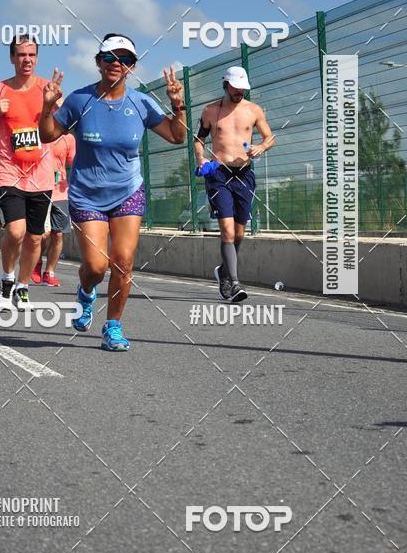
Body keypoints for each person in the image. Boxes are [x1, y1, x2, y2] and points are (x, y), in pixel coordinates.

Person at [39, 33, 187, 352]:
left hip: (127, 192)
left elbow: (177, 136)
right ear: (98, 62)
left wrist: (178, 105)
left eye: (125, 60)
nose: (116, 64)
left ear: (132, 67)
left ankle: (113, 326)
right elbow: (49, 134)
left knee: (123, 261)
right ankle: (86, 293)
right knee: (95, 266)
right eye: (109, 58)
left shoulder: (142, 103)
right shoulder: (80, 101)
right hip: (87, 194)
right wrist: (47, 108)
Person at [0, 34, 55, 309]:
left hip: (42, 173)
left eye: (32, 54)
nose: (27, 59)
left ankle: (23, 286)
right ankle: (7, 278)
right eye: (21, 54)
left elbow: (58, 128)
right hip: (8, 171)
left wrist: (50, 104)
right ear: (12, 58)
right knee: (15, 230)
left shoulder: (48, 87)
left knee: (35, 237)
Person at [194, 66, 274, 303]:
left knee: (239, 233)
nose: (239, 92)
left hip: (244, 175)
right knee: (227, 230)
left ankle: (224, 271)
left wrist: (261, 147)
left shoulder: (254, 110)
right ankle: (234, 283)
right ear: (225, 85)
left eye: (242, 89)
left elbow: (270, 137)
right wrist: (201, 159)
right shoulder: (210, 111)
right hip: (219, 175)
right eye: (235, 88)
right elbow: (199, 139)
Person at [31, 132, 76, 286]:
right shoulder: (37, 133)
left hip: (61, 192)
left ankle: (49, 272)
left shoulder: (68, 138)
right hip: (39, 189)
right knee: (42, 235)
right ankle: (36, 264)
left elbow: (74, 161)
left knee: (58, 235)